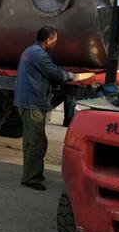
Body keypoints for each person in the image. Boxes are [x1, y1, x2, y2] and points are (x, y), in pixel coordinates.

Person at [14, 26, 75, 191]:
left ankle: (30, 174)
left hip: (27, 101)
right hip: (32, 103)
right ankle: (31, 178)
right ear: (48, 40)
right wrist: (70, 75)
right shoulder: (39, 55)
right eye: (54, 40)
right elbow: (55, 73)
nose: (55, 43)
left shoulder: (31, 51)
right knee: (37, 143)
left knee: (31, 142)